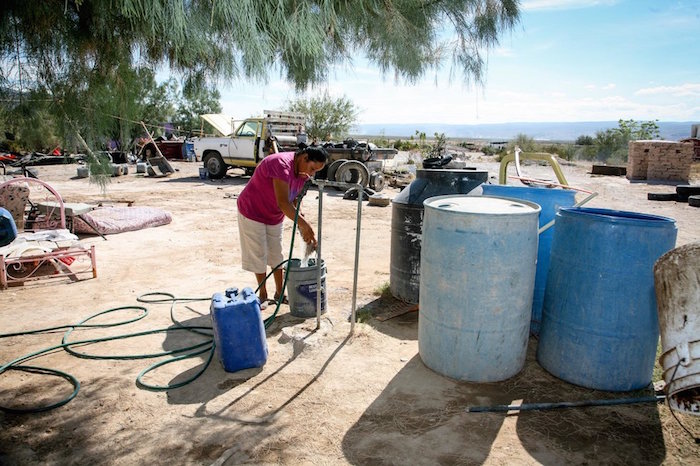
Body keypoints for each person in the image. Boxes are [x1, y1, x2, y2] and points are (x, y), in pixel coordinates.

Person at [236, 145, 328, 306]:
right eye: (312, 168)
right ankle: (262, 295)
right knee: (259, 253)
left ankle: (279, 293)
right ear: (304, 157)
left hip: (274, 215)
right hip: (252, 211)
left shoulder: (302, 173)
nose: (311, 174)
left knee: (276, 254)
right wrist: (305, 225)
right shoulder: (281, 164)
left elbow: (292, 198)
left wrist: (300, 218)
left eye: (315, 171)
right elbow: (284, 203)